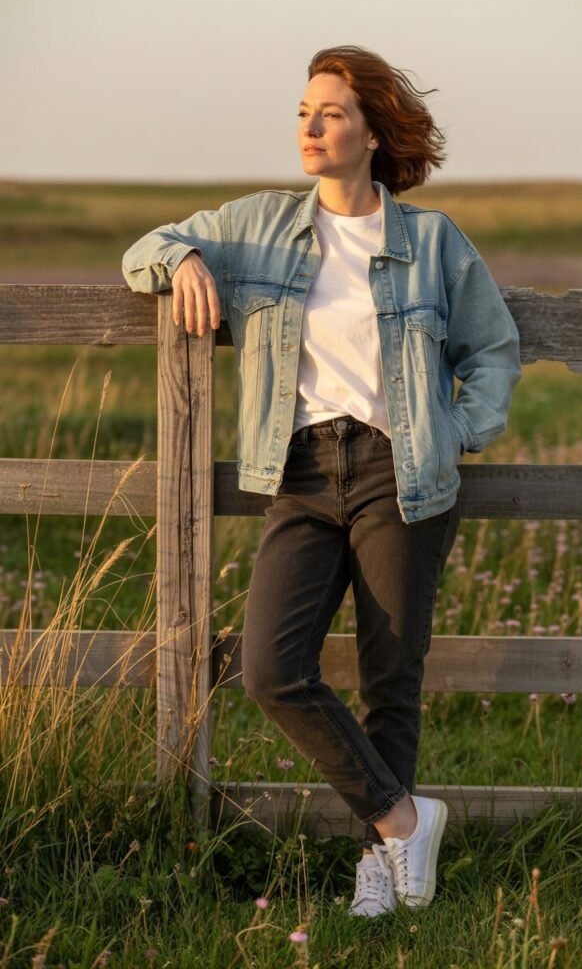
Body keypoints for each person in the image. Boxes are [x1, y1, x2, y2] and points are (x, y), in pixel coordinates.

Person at [122, 45, 521, 917]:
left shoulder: (432, 241)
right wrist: (184, 263)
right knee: (270, 668)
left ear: (373, 131)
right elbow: (147, 246)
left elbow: (490, 350)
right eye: (304, 110)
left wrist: (459, 431)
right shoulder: (261, 224)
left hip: (399, 469)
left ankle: (384, 868)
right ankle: (403, 820)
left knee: (391, 677)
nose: (309, 127)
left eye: (331, 112)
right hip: (299, 473)